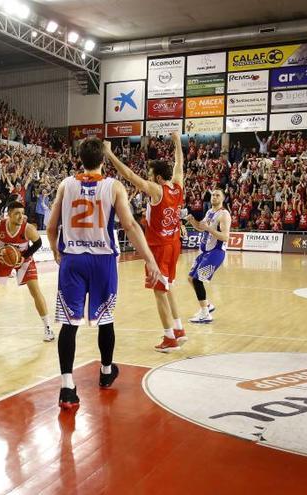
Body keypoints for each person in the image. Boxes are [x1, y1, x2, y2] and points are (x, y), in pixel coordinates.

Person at [46, 138, 161, 410]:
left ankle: (66, 388)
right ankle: (107, 372)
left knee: (69, 324)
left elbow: (51, 227)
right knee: (105, 318)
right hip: (102, 261)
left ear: (79, 158)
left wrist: (54, 250)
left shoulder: (65, 184)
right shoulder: (113, 186)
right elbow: (130, 225)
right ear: (103, 160)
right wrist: (150, 259)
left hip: (72, 260)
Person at [106, 131, 186, 353]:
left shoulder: (156, 190)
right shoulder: (178, 185)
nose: (148, 178)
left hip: (159, 247)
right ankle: (179, 329)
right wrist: (177, 141)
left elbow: (130, 176)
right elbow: (179, 162)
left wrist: (110, 154)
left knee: (159, 292)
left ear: (158, 178)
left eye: (151, 175)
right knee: (168, 287)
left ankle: (169, 338)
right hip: (173, 244)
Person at [0, 201, 53, 342]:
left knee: (35, 291)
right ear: (9, 215)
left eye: (22, 213)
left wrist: (23, 256)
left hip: (23, 259)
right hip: (4, 258)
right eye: (17, 214)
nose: (21, 216)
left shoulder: (28, 228)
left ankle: (48, 327)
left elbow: (38, 243)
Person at [184, 189, 230, 324]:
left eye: (218, 195)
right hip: (205, 252)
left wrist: (209, 228)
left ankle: (205, 314)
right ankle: (207, 305)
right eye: (213, 195)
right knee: (191, 278)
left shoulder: (224, 215)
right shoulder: (210, 212)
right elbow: (201, 227)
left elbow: (225, 237)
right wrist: (192, 221)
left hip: (216, 252)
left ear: (223, 199)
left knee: (198, 280)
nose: (214, 197)